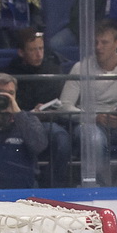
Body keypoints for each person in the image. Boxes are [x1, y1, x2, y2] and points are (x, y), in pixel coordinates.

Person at [59, 18, 117, 186]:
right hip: (91, 122)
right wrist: (94, 117)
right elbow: (65, 106)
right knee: (94, 140)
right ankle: (101, 189)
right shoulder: (81, 67)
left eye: (104, 42)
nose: (98, 47)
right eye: (95, 42)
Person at [6, 27, 72, 187]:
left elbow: (60, 102)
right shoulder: (9, 72)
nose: (38, 54)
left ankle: (53, 186)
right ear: (21, 52)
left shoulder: (53, 70)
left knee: (61, 139)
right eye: (33, 49)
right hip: (19, 122)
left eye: (41, 48)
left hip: (47, 121)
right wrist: (28, 112)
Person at [0, 72, 47, 189]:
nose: (5, 98)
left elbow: (39, 145)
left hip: (23, 187)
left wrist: (18, 114)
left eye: (10, 94)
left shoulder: (29, 119)